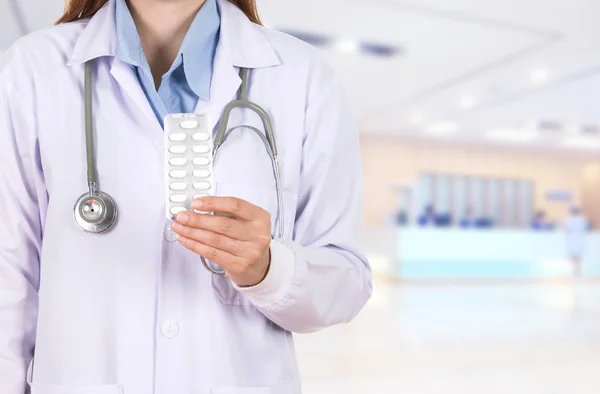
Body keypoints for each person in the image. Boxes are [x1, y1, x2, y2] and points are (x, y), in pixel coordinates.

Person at [0, 1, 373, 393]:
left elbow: (346, 283)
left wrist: (268, 269)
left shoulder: (303, 77)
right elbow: (8, 278)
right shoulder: (33, 70)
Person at [564, 205, 589, 277]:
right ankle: (577, 271)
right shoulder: (583, 219)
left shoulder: (568, 219)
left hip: (573, 238)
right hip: (579, 238)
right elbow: (586, 228)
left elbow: (567, 228)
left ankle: (575, 271)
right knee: (578, 255)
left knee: (574, 255)